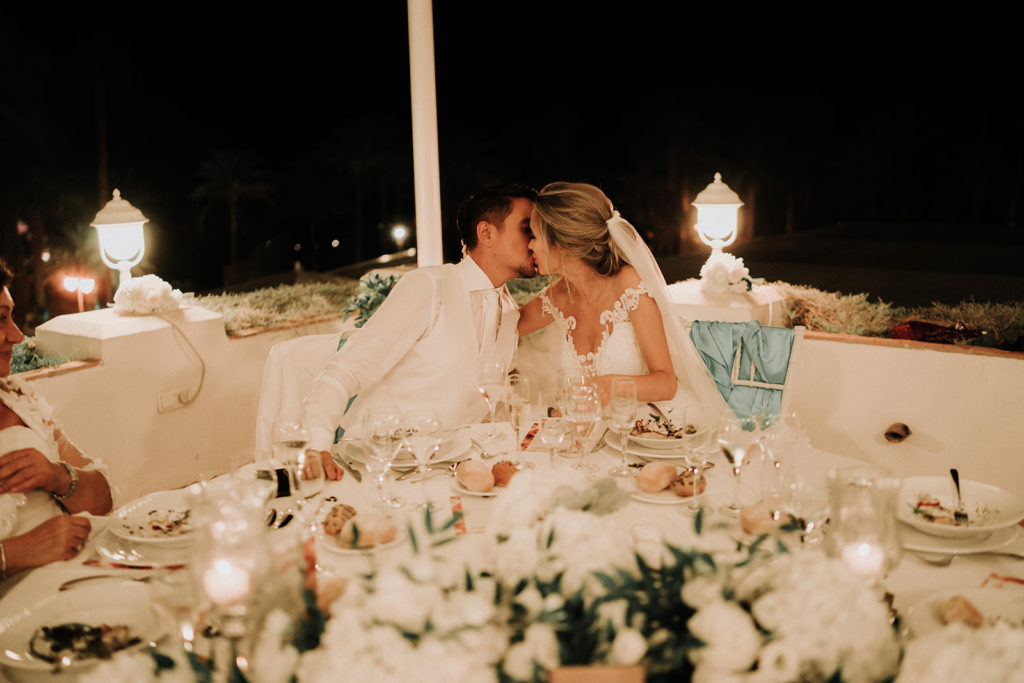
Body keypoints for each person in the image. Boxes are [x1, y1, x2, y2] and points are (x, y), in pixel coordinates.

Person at [304, 184, 538, 475]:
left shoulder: (506, 306)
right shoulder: (430, 288)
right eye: (527, 229)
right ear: (486, 233)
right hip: (378, 465)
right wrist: (318, 445)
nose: (536, 240)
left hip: (451, 467)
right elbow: (347, 369)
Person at [517, 182, 722, 412]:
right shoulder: (558, 295)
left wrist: (611, 384)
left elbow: (666, 384)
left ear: (563, 243)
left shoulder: (629, 284)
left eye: (533, 236)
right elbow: (503, 327)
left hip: (647, 425)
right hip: (588, 428)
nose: (529, 245)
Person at [0, 259, 115, 590]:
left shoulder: (18, 397)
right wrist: (16, 553)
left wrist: (57, 476)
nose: (17, 335)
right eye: (1, 319)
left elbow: (104, 497)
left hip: (82, 567)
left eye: (11, 315)